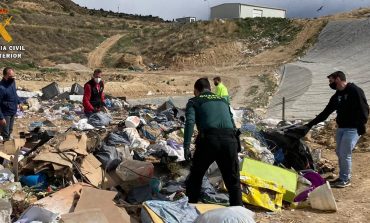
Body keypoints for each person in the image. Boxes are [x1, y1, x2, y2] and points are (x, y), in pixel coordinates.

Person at [183, 78, 242, 206]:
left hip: (209, 141)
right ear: (210, 89)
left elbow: (190, 122)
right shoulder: (223, 100)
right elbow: (232, 122)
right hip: (230, 140)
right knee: (233, 181)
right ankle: (238, 211)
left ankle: (190, 208)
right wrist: (237, 144)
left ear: (196, 90)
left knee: (196, 177)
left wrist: (186, 147)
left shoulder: (194, 101)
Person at [305, 71, 369, 188]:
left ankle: (345, 179)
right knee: (339, 152)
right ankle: (342, 177)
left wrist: (361, 126)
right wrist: (309, 124)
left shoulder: (355, 91)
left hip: (352, 129)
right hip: (341, 128)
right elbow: (326, 112)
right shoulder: (337, 96)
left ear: (338, 79)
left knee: (345, 153)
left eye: (331, 81)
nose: (330, 83)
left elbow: (364, 109)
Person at [0, 67, 21, 141]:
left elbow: (14, 94)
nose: (12, 78)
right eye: (10, 76)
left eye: (13, 76)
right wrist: (1, 117)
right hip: (5, 113)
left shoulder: (12, 82)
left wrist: (19, 102)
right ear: (5, 76)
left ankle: (8, 142)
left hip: (13, 111)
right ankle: (4, 149)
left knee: (10, 129)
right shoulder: (1, 88)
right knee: (5, 132)